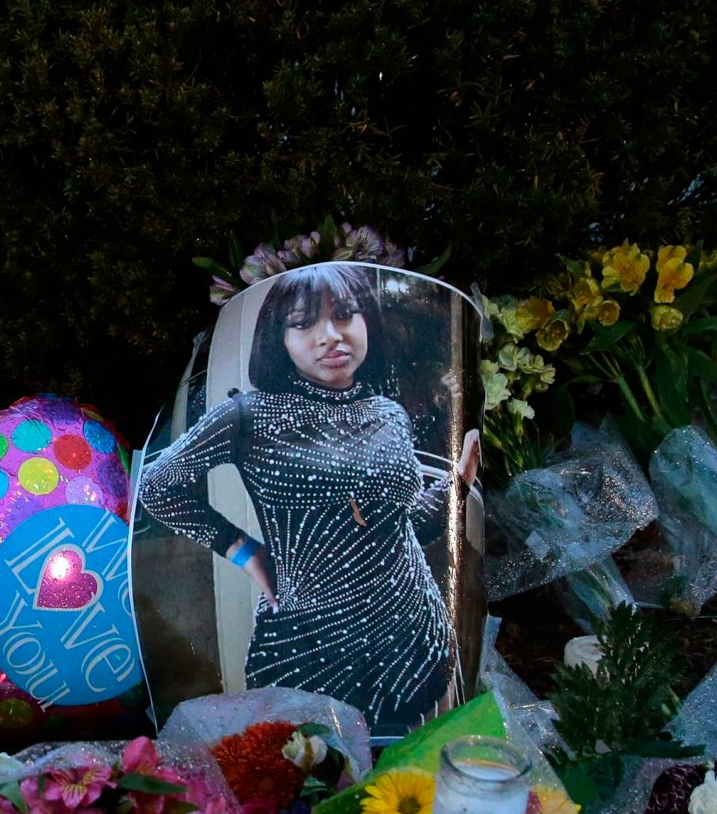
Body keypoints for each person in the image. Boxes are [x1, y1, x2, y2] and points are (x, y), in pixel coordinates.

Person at [136, 264, 474, 730]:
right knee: (301, 779)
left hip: (413, 640)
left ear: (366, 322)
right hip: (308, 647)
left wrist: (458, 480)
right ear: (280, 337)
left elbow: (401, 526)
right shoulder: (246, 416)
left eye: (345, 315)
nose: (330, 336)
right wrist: (245, 551)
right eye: (304, 322)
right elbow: (157, 485)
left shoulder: (389, 415)